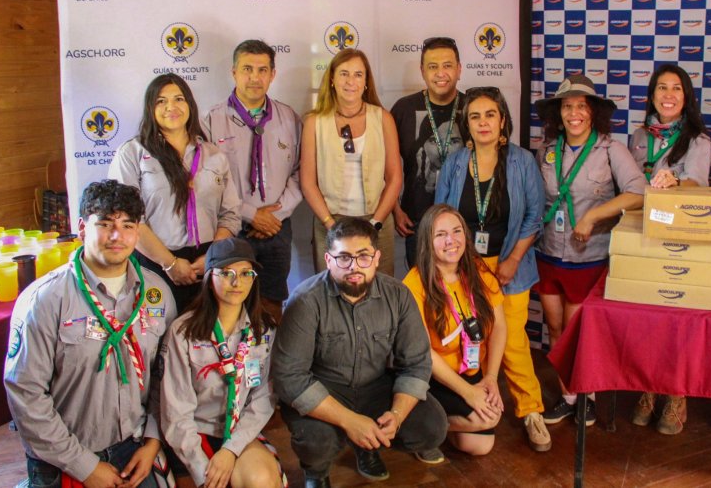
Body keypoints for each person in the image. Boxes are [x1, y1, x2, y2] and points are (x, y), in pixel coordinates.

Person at [4, 180, 178, 487]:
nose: (117, 236)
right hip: (63, 454)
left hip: (134, 447)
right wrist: (85, 467)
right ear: (83, 228)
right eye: (105, 224)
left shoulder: (157, 294)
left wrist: (153, 441)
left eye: (127, 225)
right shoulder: (45, 300)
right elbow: (26, 395)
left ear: (138, 232)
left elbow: (165, 377)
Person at [272, 218, 447, 487]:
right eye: (343, 258)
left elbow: (416, 363)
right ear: (328, 260)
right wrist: (350, 421)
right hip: (324, 388)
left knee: (432, 428)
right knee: (315, 442)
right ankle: (317, 472)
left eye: (363, 256)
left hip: (375, 386)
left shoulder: (399, 296)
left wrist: (397, 415)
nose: (354, 266)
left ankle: (368, 445)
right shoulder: (305, 301)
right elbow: (289, 377)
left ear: (376, 258)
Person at [434, 87, 552, 451]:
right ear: (466, 123)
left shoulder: (521, 161)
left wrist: (513, 259)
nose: (483, 122)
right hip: (463, 268)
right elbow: (442, 215)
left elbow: (534, 216)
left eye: (490, 115)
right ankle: (470, 407)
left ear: (503, 120)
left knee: (512, 340)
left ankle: (530, 410)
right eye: (475, 116)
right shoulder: (455, 163)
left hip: (508, 266)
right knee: (468, 340)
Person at [534, 75, 648, 426]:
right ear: (558, 113)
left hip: (588, 257)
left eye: (581, 106)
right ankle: (568, 396)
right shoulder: (547, 149)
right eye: (567, 106)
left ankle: (588, 397)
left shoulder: (611, 149)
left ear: (593, 112)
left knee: (578, 332)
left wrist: (594, 216)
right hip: (548, 252)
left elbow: (639, 193)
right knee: (555, 329)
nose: (574, 114)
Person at [626, 64, 711, 435]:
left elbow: (699, 185)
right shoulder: (637, 136)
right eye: (661, 88)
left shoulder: (698, 140)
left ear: (686, 96)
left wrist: (676, 180)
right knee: (647, 318)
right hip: (642, 235)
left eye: (676, 88)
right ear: (651, 95)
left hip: (679, 240)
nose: (668, 95)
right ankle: (648, 387)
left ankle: (676, 393)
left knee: (677, 320)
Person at [109, 74, 242, 313]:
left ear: (190, 104)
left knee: (204, 331)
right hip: (153, 261)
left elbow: (230, 214)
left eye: (179, 99)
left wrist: (212, 257)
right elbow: (128, 219)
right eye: (161, 101)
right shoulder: (132, 153)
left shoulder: (213, 154)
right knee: (156, 332)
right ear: (150, 108)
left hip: (207, 263)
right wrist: (169, 263)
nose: (171, 107)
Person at [159, 238, 284, 488]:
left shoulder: (264, 330)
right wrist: (202, 469)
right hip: (194, 434)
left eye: (246, 273)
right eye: (226, 273)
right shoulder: (183, 332)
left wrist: (230, 450)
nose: (237, 283)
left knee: (261, 479)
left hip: (240, 431)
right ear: (209, 278)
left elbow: (263, 398)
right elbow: (176, 412)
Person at [204, 39, 302, 322]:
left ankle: (267, 350)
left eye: (262, 70)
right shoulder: (211, 120)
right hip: (230, 228)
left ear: (272, 74)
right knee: (227, 303)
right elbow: (207, 182)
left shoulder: (289, 118)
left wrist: (275, 215)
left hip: (276, 228)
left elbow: (301, 171)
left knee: (271, 304)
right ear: (234, 72)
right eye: (247, 69)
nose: (255, 77)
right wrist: (250, 214)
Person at [403, 205, 506, 456]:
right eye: (440, 235)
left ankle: (438, 426)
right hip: (432, 377)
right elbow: (424, 353)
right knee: (483, 419)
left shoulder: (478, 270)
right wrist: (468, 393)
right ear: (427, 242)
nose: (451, 240)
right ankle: (415, 428)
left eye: (457, 231)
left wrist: (491, 377)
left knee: (480, 444)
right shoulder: (414, 283)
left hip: (469, 368)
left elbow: (500, 326)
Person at [300, 48, 402, 277]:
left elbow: (395, 178)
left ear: (366, 82)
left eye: (358, 74)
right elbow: (308, 182)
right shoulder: (314, 122)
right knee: (333, 290)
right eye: (344, 73)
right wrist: (330, 224)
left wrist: (376, 223)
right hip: (330, 222)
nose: (351, 81)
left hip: (377, 220)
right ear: (332, 79)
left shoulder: (383, 118)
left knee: (380, 288)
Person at [391, 36, 465, 267]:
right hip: (417, 222)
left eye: (447, 65)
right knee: (422, 285)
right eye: (433, 67)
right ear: (422, 71)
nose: (440, 73)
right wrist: (395, 209)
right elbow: (384, 165)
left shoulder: (473, 107)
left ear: (459, 69)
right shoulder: (403, 109)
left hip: (465, 222)